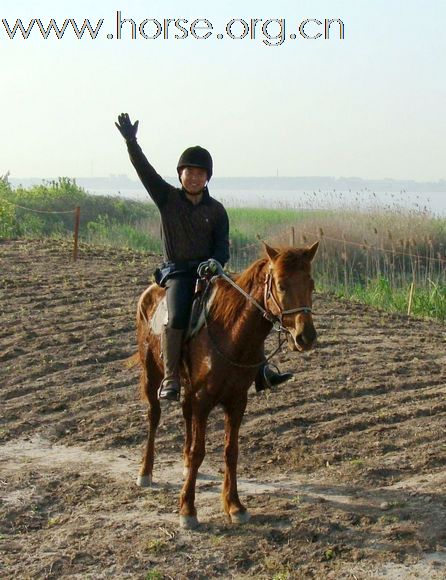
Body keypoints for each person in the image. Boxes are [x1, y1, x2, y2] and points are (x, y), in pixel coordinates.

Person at [115, 113, 292, 401]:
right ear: (180, 175)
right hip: (179, 274)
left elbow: (222, 246)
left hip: (211, 272)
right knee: (176, 318)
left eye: (200, 173)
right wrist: (131, 142)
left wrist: (217, 262)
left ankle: (262, 370)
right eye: (189, 172)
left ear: (207, 177)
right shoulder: (167, 199)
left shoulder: (217, 210)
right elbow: (145, 171)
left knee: (249, 309)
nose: (194, 177)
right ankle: (171, 377)